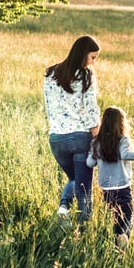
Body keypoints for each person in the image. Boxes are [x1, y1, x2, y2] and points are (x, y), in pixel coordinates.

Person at [43, 35, 101, 224]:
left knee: (75, 178)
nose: (93, 62)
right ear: (83, 54)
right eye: (92, 57)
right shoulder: (86, 74)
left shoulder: (51, 73)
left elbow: (49, 106)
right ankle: (83, 231)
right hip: (80, 138)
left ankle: (63, 209)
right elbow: (91, 108)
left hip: (56, 138)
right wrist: (97, 137)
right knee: (84, 189)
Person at [87, 106, 134, 250]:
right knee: (128, 215)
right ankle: (124, 236)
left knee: (115, 217)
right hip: (122, 186)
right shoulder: (123, 140)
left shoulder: (96, 142)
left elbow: (90, 163)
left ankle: (118, 245)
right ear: (120, 123)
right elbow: (125, 154)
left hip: (106, 188)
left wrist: (93, 150)